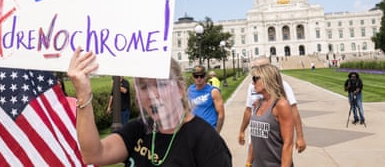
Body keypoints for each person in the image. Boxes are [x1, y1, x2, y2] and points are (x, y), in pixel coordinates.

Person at [67, 47, 232, 166]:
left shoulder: (207, 142)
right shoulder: (139, 130)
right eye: (144, 87)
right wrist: (83, 94)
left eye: (160, 85)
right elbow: (93, 155)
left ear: (180, 89)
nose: (153, 95)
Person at [239, 58, 306, 153]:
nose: (254, 71)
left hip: (272, 138)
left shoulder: (282, 85)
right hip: (256, 135)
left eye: (258, 68)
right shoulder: (252, 86)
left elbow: (293, 110)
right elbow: (248, 110)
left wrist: (300, 136)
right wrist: (242, 130)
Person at [246, 64, 294, 167]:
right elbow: (254, 140)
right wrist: (248, 163)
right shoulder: (258, 103)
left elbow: (288, 144)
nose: (252, 82)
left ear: (267, 79)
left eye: (255, 79)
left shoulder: (281, 105)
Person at [188, 65, 225, 133]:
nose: (199, 78)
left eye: (201, 76)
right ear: (193, 77)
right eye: (196, 76)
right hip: (194, 131)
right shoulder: (190, 90)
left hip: (209, 129)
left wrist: (216, 133)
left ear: (205, 76)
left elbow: (221, 114)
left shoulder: (213, 91)